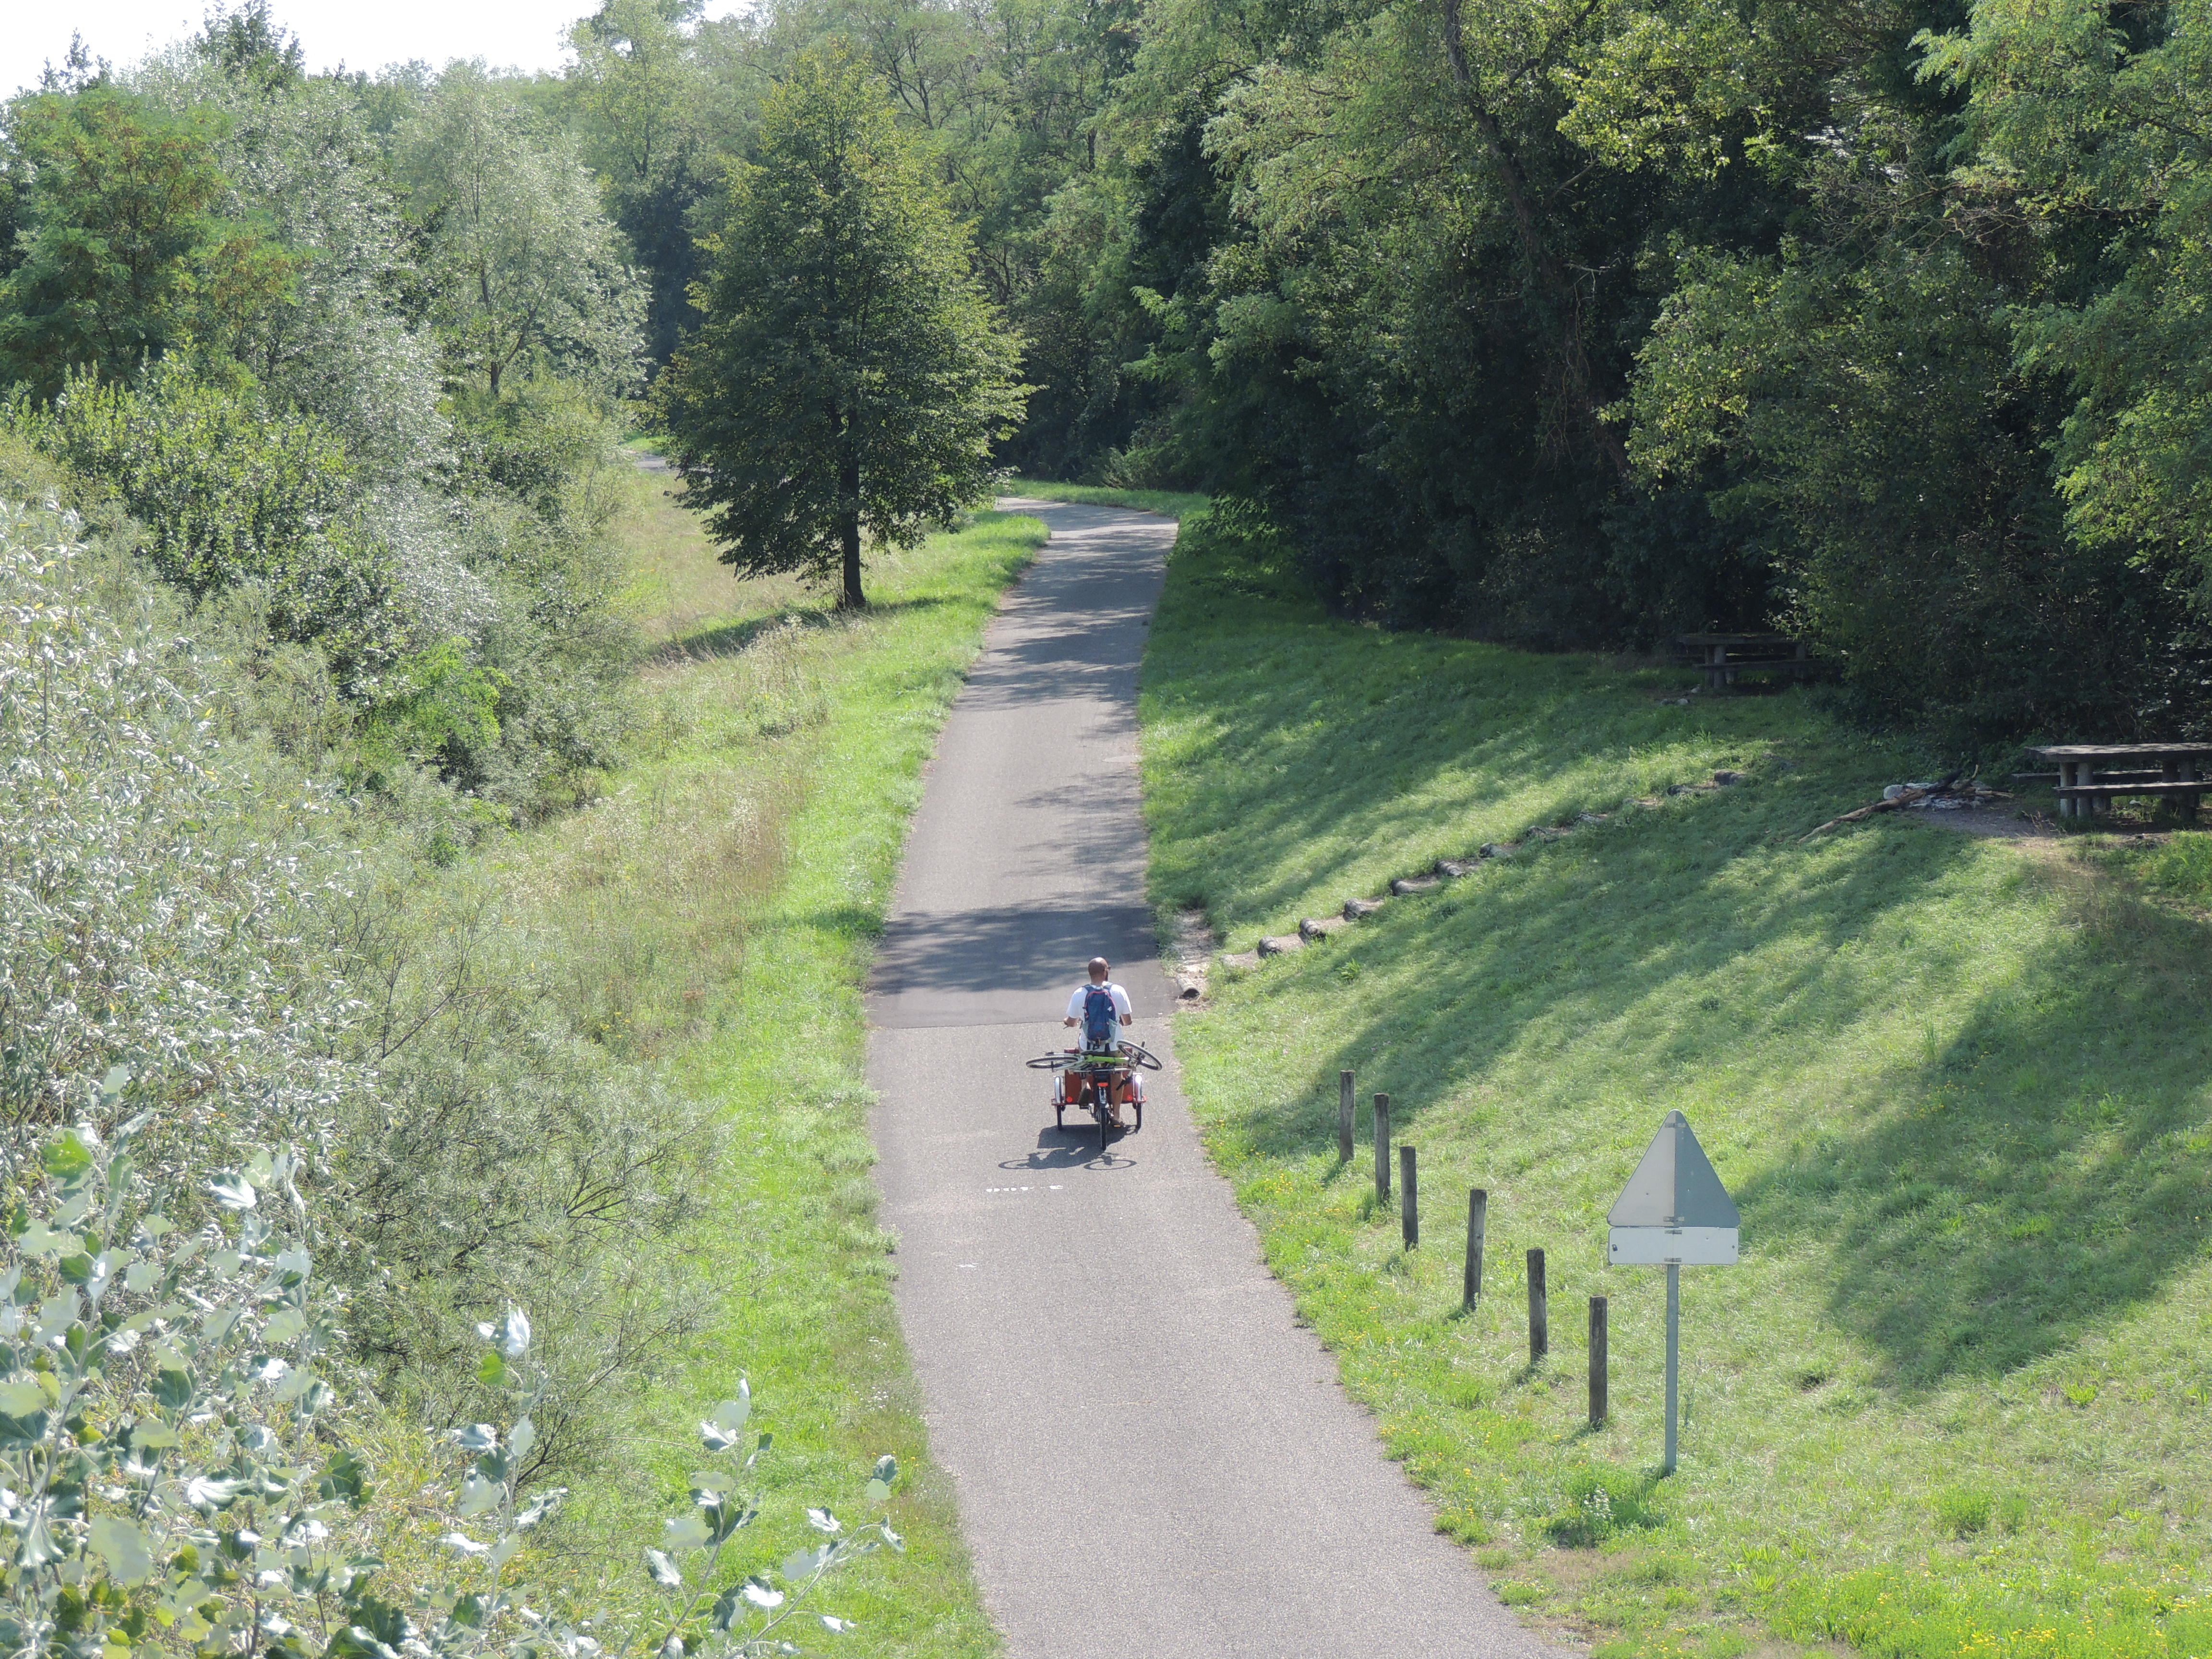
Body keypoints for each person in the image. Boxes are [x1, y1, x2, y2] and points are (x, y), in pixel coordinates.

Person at [1063, 956, 1136, 1127]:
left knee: (1083, 1057)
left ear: (1090, 973)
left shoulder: (1080, 993)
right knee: (1117, 1073)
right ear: (1105, 972)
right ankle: (1117, 1116)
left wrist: (1066, 1021)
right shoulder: (1118, 991)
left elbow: (1072, 1023)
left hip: (1089, 1047)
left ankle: (1084, 1086)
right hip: (1113, 1045)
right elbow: (1128, 1021)